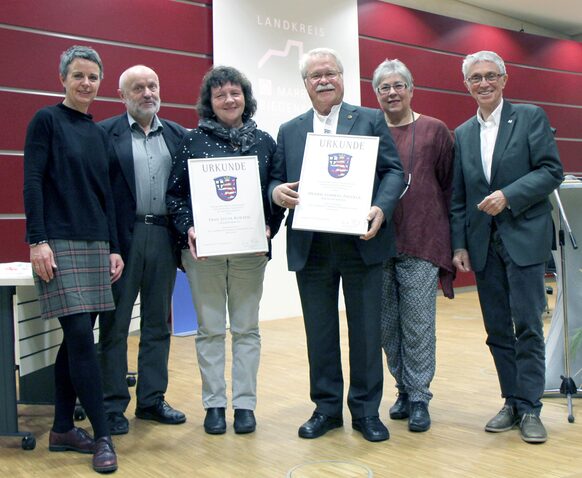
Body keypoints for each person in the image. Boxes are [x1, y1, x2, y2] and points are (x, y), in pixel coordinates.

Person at [269, 48, 404, 442]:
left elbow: (393, 170)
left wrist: (381, 206)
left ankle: (365, 412)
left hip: (361, 242)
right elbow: (275, 180)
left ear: (342, 78)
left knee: (365, 331)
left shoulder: (370, 119)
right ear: (305, 84)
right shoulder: (290, 129)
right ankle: (326, 409)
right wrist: (276, 192)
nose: (324, 80)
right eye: (315, 75)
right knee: (320, 331)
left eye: (331, 73)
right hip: (311, 245)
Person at [450, 50, 563, 444]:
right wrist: (460, 244)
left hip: (524, 239)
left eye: (490, 76)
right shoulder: (462, 133)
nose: (483, 83)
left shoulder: (530, 117)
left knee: (528, 325)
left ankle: (531, 407)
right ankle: (511, 401)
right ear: (466, 84)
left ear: (504, 79)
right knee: (497, 329)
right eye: (475, 78)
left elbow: (551, 171)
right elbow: (459, 197)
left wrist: (508, 196)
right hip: (483, 245)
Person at [167, 66, 284, 435]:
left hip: (250, 252)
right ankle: (214, 405)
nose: (229, 100)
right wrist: (189, 227)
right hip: (206, 253)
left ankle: (245, 405)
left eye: (235, 93)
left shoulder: (265, 141)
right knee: (210, 330)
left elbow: (275, 193)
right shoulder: (192, 141)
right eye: (220, 95)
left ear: (245, 98)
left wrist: (270, 224)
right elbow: (175, 194)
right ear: (210, 102)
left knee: (247, 330)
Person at [23, 45, 122, 473]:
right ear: (62, 79)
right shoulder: (46, 121)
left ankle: (63, 427)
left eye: (93, 77)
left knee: (76, 339)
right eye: (78, 75)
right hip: (59, 244)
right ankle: (102, 436)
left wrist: (115, 246)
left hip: (96, 244)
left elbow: (109, 198)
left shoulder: (99, 134)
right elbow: (32, 182)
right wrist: (37, 240)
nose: (86, 83)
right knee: (82, 337)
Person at [97, 65, 187, 435]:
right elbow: (99, 195)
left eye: (153, 85)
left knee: (157, 324)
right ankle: (112, 405)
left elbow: (187, 192)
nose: (147, 92)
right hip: (124, 239)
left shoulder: (179, 135)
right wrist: (108, 245)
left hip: (163, 237)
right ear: (122, 96)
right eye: (138, 87)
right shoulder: (104, 134)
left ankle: (151, 400)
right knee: (115, 326)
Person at [372, 59, 455, 432]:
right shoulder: (368, 130)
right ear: (377, 94)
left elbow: (451, 186)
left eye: (398, 85)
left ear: (410, 88)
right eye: (384, 87)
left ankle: (420, 397)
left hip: (423, 239)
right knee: (387, 325)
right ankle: (402, 389)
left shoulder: (436, 131)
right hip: (378, 242)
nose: (392, 92)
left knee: (419, 324)